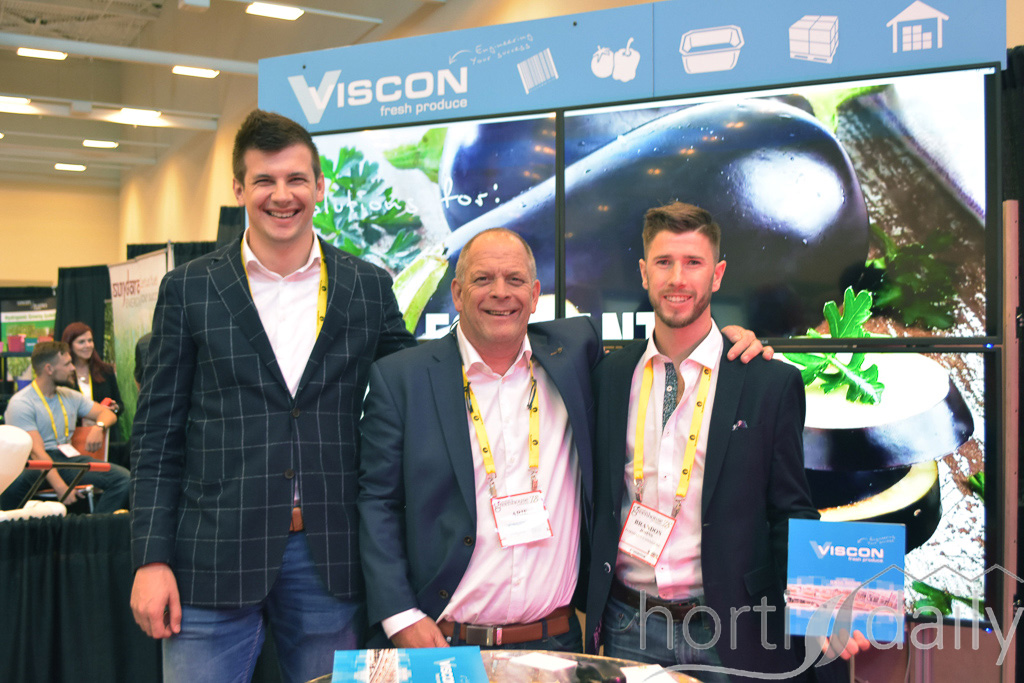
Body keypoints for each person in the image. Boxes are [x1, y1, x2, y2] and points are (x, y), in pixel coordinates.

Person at [357, 228, 765, 653]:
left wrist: (725, 344)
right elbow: (377, 502)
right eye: (483, 279)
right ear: (457, 294)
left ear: (535, 295)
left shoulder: (574, 354)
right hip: (443, 642)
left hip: (555, 643)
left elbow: (673, 350)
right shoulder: (403, 379)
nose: (501, 293)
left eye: (515, 280)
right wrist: (400, 616)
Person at [129, 109, 415, 683]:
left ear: (319, 187)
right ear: (239, 189)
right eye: (264, 180)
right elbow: (157, 435)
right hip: (210, 558)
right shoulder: (189, 289)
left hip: (328, 557)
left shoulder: (366, 286)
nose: (281, 196)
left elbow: (412, 389)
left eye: (296, 179)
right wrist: (150, 558)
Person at [584, 202, 871, 682]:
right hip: (628, 624)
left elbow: (791, 510)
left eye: (693, 263)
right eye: (664, 262)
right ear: (644, 273)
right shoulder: (610, 376)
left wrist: (824, 602)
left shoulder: (767, 383)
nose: (678, 278)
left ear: (716, 275)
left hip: (729, 627)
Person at [0, 341, 130, 513]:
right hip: (34, 465)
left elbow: (108, 414)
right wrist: (61, 487)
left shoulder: (70, 396)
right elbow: (37, 453)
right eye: (67, 364)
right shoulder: (21, 403)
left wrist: (99, 427)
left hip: (67, 460)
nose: (72, 368)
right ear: (49, 369)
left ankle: (94, 526)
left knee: (124, 479)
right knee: (15, 484)